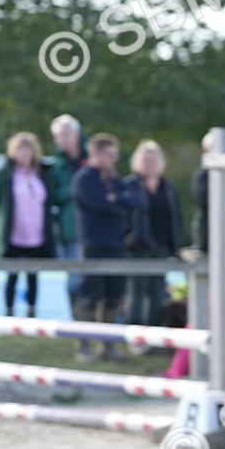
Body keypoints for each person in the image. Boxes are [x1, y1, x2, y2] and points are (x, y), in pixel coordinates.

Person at [72, 133, 141, 362]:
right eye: (109, 155)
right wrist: (116, 201)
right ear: (95, 153)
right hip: (93, 245)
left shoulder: (114, 180)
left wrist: (114, 198)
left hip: (116, 244)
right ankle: (84, 346)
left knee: (114, 296)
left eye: (115, 155)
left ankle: (108, 345)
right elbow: (98, 203)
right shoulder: (84, 178)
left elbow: (135, 202)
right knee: (90, 296)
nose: (113, 160)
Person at [0, 132, 56, 317]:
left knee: (33, 275)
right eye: (20, 149)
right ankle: (9, 311)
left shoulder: (42, 173)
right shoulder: (6, 174)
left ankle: (32, 311)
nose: (24, 154)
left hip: (36, 232)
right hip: (14, 232)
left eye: (27, 149)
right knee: (12, 275)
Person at [124, 139, 182, 328]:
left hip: (162, 245)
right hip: (138, 246)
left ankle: (156, 329)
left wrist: (176, 245)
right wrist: (129, 236)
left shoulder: (168, 188)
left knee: (157, 289)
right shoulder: (130, 185)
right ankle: (135, 330)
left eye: (153, 159)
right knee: (137, 289)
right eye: (145, 159)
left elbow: (175, 216)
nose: (149, 163)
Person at [49, 114, 88, 308]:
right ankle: (76, 319)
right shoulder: (55, 166)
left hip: (94, 228)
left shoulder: (92, 158)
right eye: (60, 135)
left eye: (67, 134)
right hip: (70, 229)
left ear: (77, 134)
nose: (64, 139)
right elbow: (53, 195)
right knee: (74, 277)